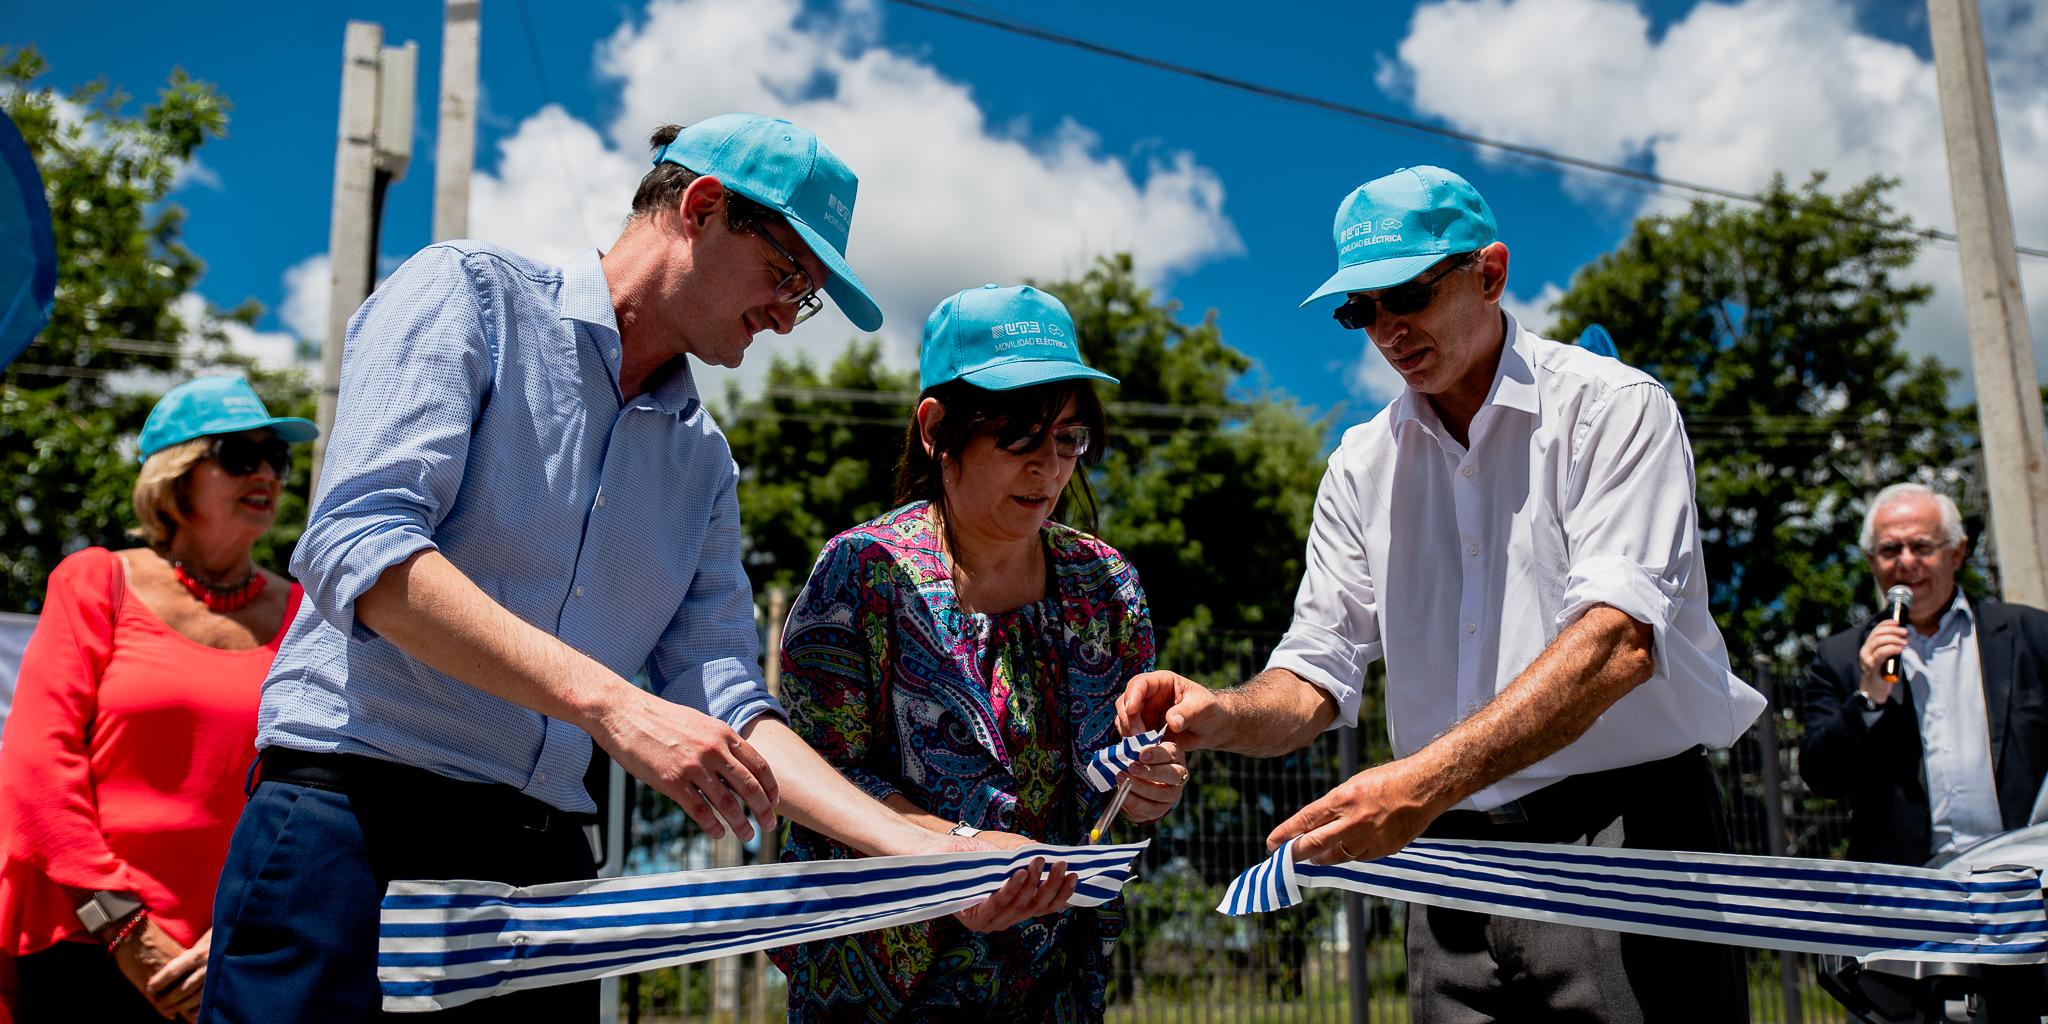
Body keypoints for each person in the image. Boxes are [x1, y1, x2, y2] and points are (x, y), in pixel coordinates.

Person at [199, 115, 1064, 1023]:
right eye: (786, 277)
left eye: (803, 297)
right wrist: (613, 704)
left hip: (542, 879)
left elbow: (726, 697)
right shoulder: (467, 298)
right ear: (702, 209)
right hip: (356, 828)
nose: (784, 316)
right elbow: (360, 549)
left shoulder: (702, 466)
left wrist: (919, 850)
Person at [1118, 166, 1766, 1022]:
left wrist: (1417, 785)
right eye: (1361, 310)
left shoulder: (1613, 408)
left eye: (1409, 295)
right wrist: (1225, 714)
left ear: (1490, 274)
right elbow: (1316, 669)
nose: (1387, 329)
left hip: (1618, 837)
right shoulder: (1359, 464)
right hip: (1448, 863)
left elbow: (1616, 645)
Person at [772, 284, 1187, 1022]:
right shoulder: (862, 573)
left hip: (1054, 983)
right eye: (1020, 436)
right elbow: (816, 778)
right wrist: (956, 849)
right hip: (882, 985)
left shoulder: (1108, 586)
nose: (1049, 469)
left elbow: (1108, 787)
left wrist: (1148, 786)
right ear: (936, 427)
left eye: (1068, 439)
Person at [0, 376, 316, 1022]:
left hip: (235, 958)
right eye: (237, 456)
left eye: (275, 459)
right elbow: (37, 771)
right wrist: (125, 929)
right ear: (175, 481)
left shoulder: (303, 614)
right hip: (90, 946)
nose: (265, 473)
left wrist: (238, 937)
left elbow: (312, 797)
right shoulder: (97, 581)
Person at [1802, 483, 2048, 865]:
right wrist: (1866, 699)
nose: (1905, 562)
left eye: (1921, 546)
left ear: (1957, 552)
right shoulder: (1842, 657)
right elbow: (1822, 778)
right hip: (1912, 889)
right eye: (1889, 550)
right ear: (1871, 562)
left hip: (2027, 871)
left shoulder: (2030, 633)